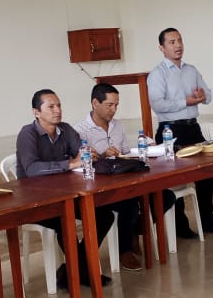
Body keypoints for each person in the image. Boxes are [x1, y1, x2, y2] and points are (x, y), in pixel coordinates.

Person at [16, 89, 118, 288]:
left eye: (59, 105)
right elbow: (32, 169)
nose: (57, 110)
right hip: (35, 201)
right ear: (36, 112)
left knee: (104, 215)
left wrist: (88, 154)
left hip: (65, 195)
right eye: (51, 107)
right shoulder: (27, 134)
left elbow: (81, 153)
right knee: (66, 220)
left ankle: (74, 270)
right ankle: (84, 272)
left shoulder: (66, 129)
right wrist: (71, 163)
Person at [72, 83, 177, 270]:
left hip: (125, 179)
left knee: (166, 196)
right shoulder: (79, 130)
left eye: (116, 105)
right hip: (101, 188)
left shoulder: (118, 125)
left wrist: (143, 150)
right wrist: (102, 155)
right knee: (130, 205)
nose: (114, 110)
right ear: (95, 103)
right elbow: (80, 165)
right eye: (109, 105)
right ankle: (125, 250)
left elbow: (126, 153)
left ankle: (134, 230)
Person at [147, 27, 213, 237]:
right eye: (172, 42)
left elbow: (208, 96)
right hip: (170, 131)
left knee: (207, 173)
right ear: (162, 48)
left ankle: (207, 219)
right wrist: (185, 101)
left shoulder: (191, 70)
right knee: (175, 178)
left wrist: (201, 95)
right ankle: (180, 226)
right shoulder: (157, 74)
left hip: (192, 127)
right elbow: (157, 104)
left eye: (179, 40)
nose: (177, 45)